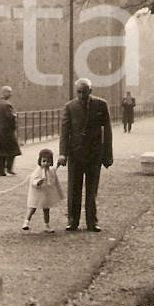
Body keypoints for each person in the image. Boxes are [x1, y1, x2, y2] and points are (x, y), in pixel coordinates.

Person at [58, 78, 113, 232]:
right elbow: (64, 132)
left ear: (91, 90)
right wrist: (63, 154)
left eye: (85, 91)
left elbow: (107, 131)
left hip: (94, 154)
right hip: (75, 154)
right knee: (74, 188)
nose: (82, 95)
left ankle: (92, 222)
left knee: (92, 189)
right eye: (79, 92)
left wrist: (107, 155)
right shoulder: (69, 107)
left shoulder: (101, 105)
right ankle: (72, 221)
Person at [22, 148, 64, 233]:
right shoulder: (38, 171)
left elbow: (55, 168)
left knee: (46, 209)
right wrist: (37, 182)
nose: (46, 164)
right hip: (38, 193)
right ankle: (26, 222)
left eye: (48, 162)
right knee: (32, 208)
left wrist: (59, 163)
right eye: (44, 161)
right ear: (40, 161)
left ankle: (46, 225)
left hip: (46, 194)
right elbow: (33, 180)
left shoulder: (50, 170)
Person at [0, 85, 21, 176]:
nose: (11, 94)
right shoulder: (7, 105)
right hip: (7, 132)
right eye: (9, 92)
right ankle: (9, 168)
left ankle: (1, 171)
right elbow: (11, 118)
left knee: (0, 152)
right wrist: (14, 126)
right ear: (5, 93)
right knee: (12, 151)